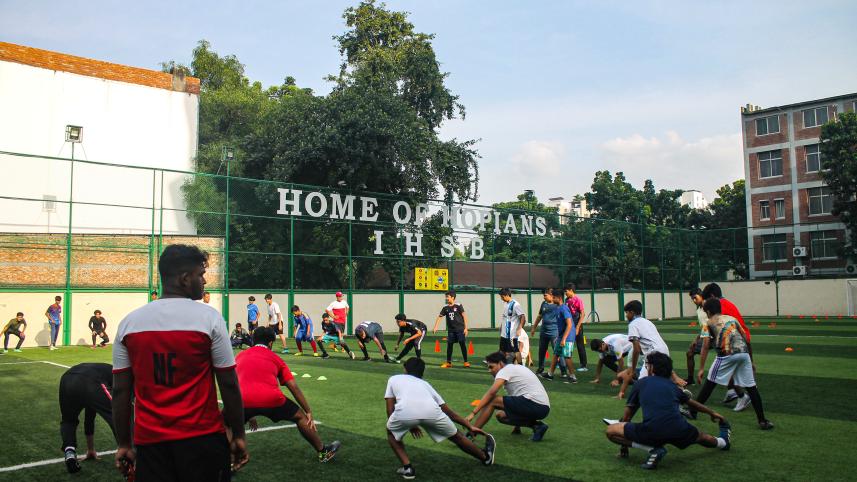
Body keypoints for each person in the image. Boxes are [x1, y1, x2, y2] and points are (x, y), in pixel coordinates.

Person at [112, 244, 249, 480]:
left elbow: (121, 390)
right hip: (203, 439)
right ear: (185, 279)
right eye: (201, 275)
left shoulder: (128, 324)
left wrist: (124, 443)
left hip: (151, 444)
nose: (204, 281)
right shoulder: (210, 319)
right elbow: (228, 384)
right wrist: (238, 434)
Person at [604, 352, 732, 470]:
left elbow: (627, 418)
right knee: (701, 437)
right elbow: (692, 403)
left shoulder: (640, 383)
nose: (646, 367)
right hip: (679, 429)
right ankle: (723, 443)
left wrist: (624, 448)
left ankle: (653, 449)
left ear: (652, 368)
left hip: (652, 431)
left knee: (611, 431)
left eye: (647, 365)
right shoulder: (673, 386)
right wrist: (712, 412)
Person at [234, 327, 340, 462]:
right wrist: (308, 411)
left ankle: (225, 459)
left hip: (243, 400)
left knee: (227, 423)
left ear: (253, 340)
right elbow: (293, 387)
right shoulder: (276, 358)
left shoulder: (240, 356)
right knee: (300, 417)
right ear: (271, 343)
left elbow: (233, 385)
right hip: (272, 399)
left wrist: (246, 414)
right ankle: (323, 452)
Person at [385, 357, 495, 479]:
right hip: (432, 411)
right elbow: (449, 412)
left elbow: (390, 409)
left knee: (391, 433)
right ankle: (485, 457)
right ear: (422, 372)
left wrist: (403, 425)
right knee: (456, 436)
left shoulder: (394, 379)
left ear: (405, 369)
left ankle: (408, 468)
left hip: (404, 413)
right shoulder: (426, 384)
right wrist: (469, 426)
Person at [691, 298, 773, 430]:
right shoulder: (731, 318)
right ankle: (762, 421)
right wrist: (751, 361)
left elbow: (705, 345)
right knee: (752, 387)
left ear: (709, 311)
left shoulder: (708, 322)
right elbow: (746, 339)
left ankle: (693, 411)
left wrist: (701, 368)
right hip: (744, 353)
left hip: (726, 355)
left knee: (710, 382)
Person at [468, 351, 551, 441]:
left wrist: (473, 413)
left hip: (536, 405)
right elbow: (517, 398)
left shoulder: (505, 370)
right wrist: (517, 427)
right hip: (542, 407)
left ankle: (471, 434)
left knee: (493, 400)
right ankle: (537, 426)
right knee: (501, 415)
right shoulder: (513, 369)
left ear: (500, 364)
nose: (489, 370)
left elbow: (491, 393)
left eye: (491, 367)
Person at [617, 300, 685, 399]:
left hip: (653, 353)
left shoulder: (632, 324)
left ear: (631, 312)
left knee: (640, 385)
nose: (626, 316)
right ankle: (680, 395)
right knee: (661, 380)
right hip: (664, 349)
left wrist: (632, 369)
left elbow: (636, 349)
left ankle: (628, 412)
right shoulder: (648, 321)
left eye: (627, 313)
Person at [59, 363, 117, 474]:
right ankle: (130, 456)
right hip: (90, 379)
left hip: (66, 378)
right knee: (116, 415)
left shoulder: (109, 371)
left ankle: (70, 453)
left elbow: (90, 413)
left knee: (68, 420)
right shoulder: (120, 376)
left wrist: (90, 449)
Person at [701, 283, 753, 405]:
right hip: (740, 341)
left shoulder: (719, 306)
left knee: (718, 370)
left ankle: (739, 394)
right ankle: (733, 391)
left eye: (707, 299)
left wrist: (700, 339)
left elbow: (716, 325)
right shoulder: (726, 303)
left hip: (734, 340)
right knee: (746, 381)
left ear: (712, 296)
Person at [433, 290, 470, 368]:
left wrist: (466, 328)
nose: (446, 298)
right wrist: (436, 327)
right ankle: (448, 362)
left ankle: (466, 362)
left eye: (448, 297)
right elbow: (440, 317)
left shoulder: (458, 305)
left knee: (462, 344)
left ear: (452, 297)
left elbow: (464, 316)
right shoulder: (445, 307)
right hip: (451, 330)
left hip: (460, 329)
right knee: (449, 345)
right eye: (446, 297)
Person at [547, 289, 577, 383]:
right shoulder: (557, 308)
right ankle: (550, 374)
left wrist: (564, 339)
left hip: (567, 336)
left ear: (559, 298)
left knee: (567, 356)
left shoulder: (564, 308)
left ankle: (573, 377)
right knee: (556, 354)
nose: (552, 299)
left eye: (554, 297)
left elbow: (569, 324)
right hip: (561, 336)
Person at [529, 288, 559, 375]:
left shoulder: (557, 305)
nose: (544, 297)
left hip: (554, 332)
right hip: (544, 332)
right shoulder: (543, 304)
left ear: (551, 295)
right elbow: (540, 316)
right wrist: (534, 327)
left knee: (557, 351)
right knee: (542, 350)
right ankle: (541, 368)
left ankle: (563, 370)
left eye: (545, 295)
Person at [685, 288, 710, 386]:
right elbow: (704, 326)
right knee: (689, 353)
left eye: (695, 298)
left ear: (701, 295)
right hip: (706, 336)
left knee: (724, 358)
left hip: (714, 337)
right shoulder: (699, 309)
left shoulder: (708, 306)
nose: (694, 301)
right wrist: (697, 339)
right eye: (692, 299)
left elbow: (710, 323)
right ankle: (690, 379)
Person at [498, 288, 526, 364]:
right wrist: (501, 326)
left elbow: (523, 317)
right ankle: (502, 365)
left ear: (507, 295)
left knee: (515, 351)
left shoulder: (515, 305)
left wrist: (519, 328)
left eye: (502, 297)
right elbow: (505, 317)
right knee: (502, 350)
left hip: (512, 334)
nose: (501, 298)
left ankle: (520, 366)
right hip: (504, 334)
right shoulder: (505, 304)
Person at [564, 283, 588, 371]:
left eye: (566, 291)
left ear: (571, 290)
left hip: (577, 325)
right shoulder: (566, 300)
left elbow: (583, 314)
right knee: (567, 344)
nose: (565, 293)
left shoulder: (578, 300)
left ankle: (583, 365)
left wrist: (578, 327)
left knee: (580, 345)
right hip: (569, 325)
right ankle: (566, 363)